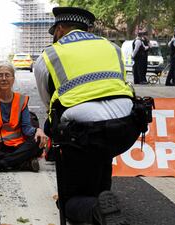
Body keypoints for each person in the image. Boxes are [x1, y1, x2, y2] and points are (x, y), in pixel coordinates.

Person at [35, 7, 142, 225]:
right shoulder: (112, 47)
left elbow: (49, 104)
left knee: (68, 202)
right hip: (126, 127)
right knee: (103, 150)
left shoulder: (50, 54)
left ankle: (94, 210)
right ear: (88, 28)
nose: (54, 36)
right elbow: (119, 86)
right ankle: (102, 197)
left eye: (55, 31)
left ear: (61, 28)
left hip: (83, 134)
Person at [0, 63, 48, 176]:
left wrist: (38, 130)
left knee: (38, 141)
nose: (4, 78)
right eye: (0, 75)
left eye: (7, 75)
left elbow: (27, 128)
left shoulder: (21, 100)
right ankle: (20, 162)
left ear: (13, 79)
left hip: (16, 146)